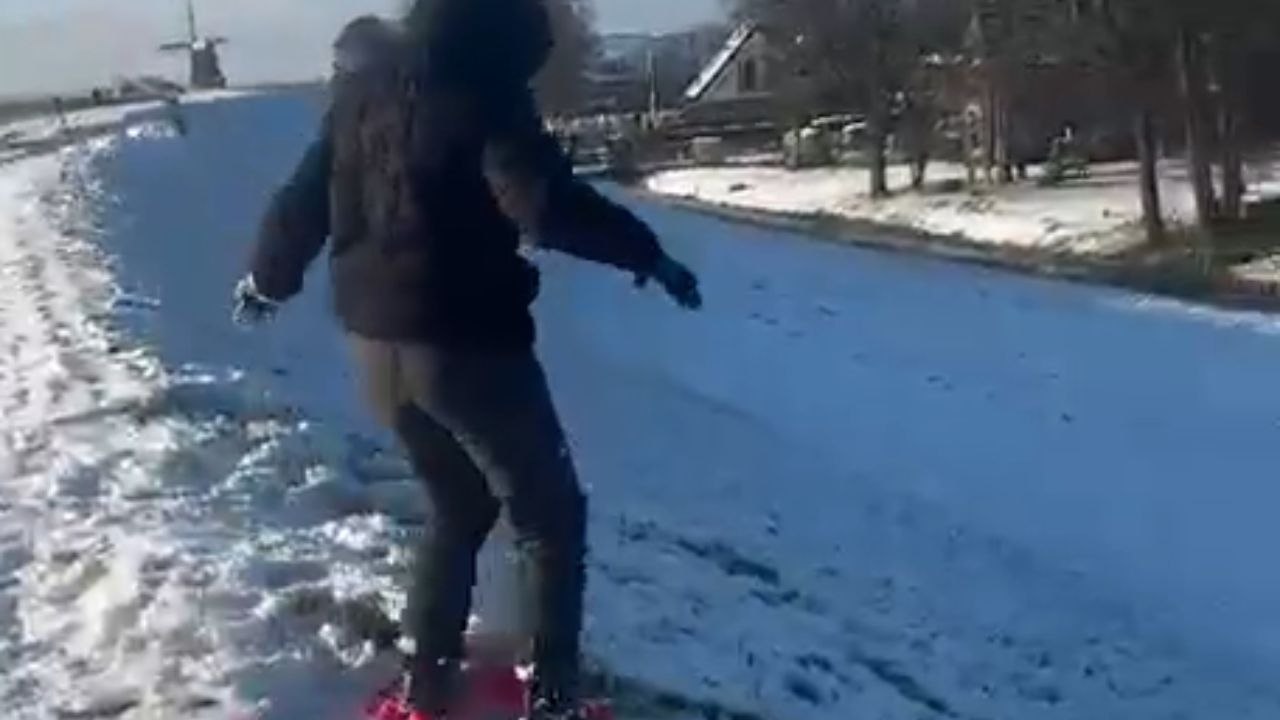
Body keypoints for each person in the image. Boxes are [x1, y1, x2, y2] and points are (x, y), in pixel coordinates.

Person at [232, 3, 701, 719]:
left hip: (374, 349)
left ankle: (425, 682)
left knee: (459, 503)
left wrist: (268, 280)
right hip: (464, 348)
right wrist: (647, 253)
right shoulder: (484, 86)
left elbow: (301, 202)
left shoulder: (366, 85)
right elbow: (541, 207)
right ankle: (552, 700)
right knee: (550, 516)